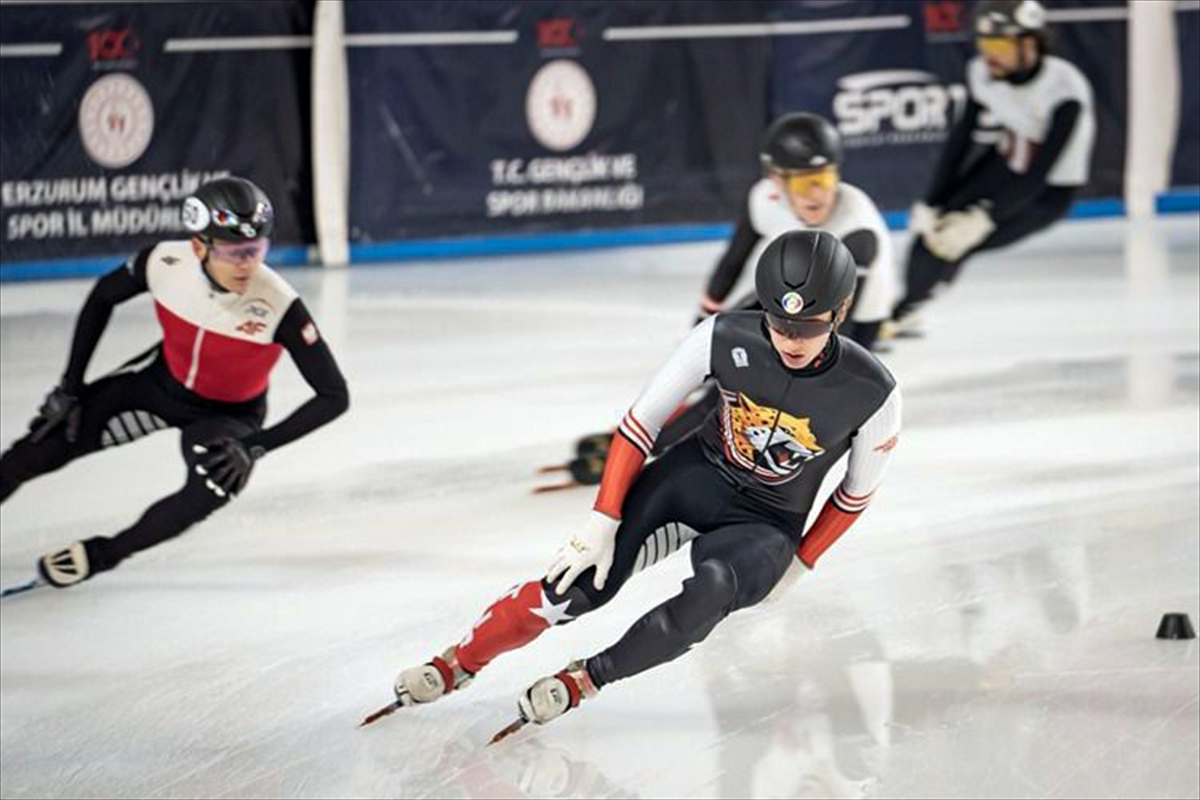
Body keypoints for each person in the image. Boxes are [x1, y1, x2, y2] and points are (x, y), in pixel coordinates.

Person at [387, 230, 901, 731]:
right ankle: (457, 663)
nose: (791, 340)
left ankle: (586, 679)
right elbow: (641, 423)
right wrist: (602, 518)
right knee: (573, 588)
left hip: (766, 523)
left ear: (840, 311)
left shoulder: (873, 392)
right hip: (694, 478)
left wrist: (802, 561)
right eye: (779, 324)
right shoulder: (722, 335)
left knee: (712, 592)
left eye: (808, 327)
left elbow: (855, 493)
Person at [0, 177, 349, 588]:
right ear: (199, 246)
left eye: (256, 249)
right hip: (155, 387)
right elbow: (102, 297)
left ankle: (102, 555)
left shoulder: (281, 305)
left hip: (227, 416)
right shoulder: (164, 262)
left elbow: (334, 396)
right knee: (38, 448)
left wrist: (253, 446)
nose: (247, 264)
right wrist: (70, 387)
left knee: (212, 487)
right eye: (234, 251)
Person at [890, 0, 1095, 333]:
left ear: (1030, 43)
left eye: (999, 46)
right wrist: (933, 199)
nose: (989, 57)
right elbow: (961, 140)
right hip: (1004, 165)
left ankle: (909, 306)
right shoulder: (982, 73)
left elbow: (1039, 173)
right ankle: (907, 308)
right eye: (984, 45)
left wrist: (985, 219)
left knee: (956, 241)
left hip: (1048, 191)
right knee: (932, 229)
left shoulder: (1065, 90)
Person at [699, 112, 898, 354]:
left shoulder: (857, 226)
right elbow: (733, 261)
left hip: (857, 319)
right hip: (796, 291)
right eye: (803, 183)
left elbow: (838, 328)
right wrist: (701, 330)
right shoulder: (765, 198)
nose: (817, 195)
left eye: (824, 179)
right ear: (776, 180)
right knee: (723, 338)